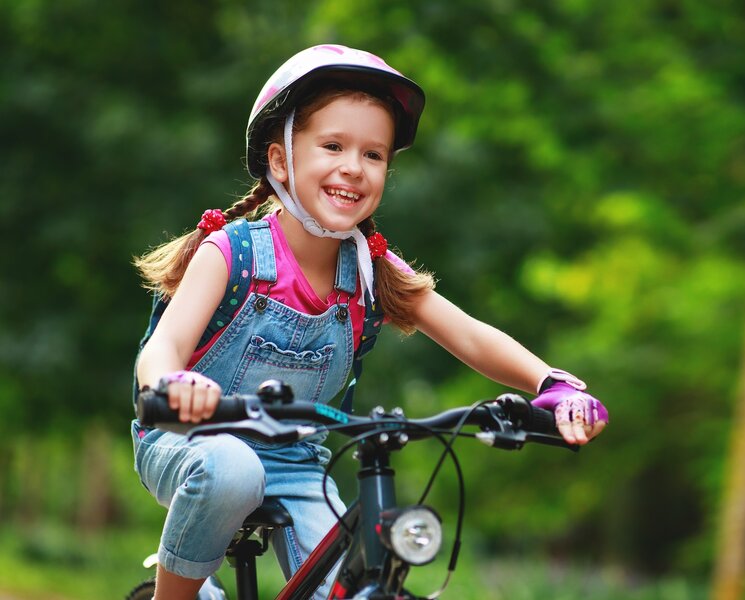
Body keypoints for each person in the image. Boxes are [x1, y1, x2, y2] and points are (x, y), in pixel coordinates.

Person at [131, 44, 608, 600]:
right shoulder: (230, 253)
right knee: (233, 468)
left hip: (297, 463)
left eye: (374, 154)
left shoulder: (370, 270)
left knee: (363, 578)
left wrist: (551, 384)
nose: (353, 168)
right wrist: (173, 385)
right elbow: (160, 349)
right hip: (188, 439)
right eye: (332, 146)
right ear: (281, 160)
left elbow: (470, 335)